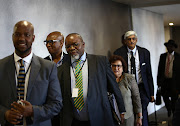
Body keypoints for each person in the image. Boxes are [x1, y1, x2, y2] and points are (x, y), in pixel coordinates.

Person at [0, 20, 63, 126]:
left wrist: (33, 111)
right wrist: (4, 114)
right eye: (17, 34)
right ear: (12, 37)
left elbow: (56, 104)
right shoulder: (1, 66)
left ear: (33, 38)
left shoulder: (48, 67)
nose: (21, 38)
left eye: (27, 35)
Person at [57, 33, 125, 126]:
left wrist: (121, 110)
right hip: (74, 121)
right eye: (68, 46)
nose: (72, 48)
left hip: (99, 117)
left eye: (75, 44)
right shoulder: (61, 69)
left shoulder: (100, 61)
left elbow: (114, 87)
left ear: (83, 44)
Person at [114, 30, 154, 126]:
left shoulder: (144, 53)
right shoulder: (118, 52)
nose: (131, 41)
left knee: (142, 111)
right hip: (126, 87)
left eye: (133, 39)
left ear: (136, 40)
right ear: (125, 41)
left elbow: (149, 73)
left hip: (141, 87)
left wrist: (152, 93)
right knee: (130, 111)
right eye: (129, 39)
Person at [109, 55, 142, 126]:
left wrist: (139, 117)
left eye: (119, 66)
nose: (116, 68)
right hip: (111, 118)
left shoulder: (129, 79)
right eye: (113, 66)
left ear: (123, 68)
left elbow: (136, 98)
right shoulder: (106, 80)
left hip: (128, 117)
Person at [157, 40, 180, 117]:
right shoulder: (162, 56)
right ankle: (168, 108)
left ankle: (173, 113)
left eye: (171, 46)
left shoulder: (178, 57)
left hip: (174, 82)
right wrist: (158, 82)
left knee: (174, 99)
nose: (169, 48)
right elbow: (159, 70)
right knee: (165, 96)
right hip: (164, 81)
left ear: (174, 47)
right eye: (168, 46)